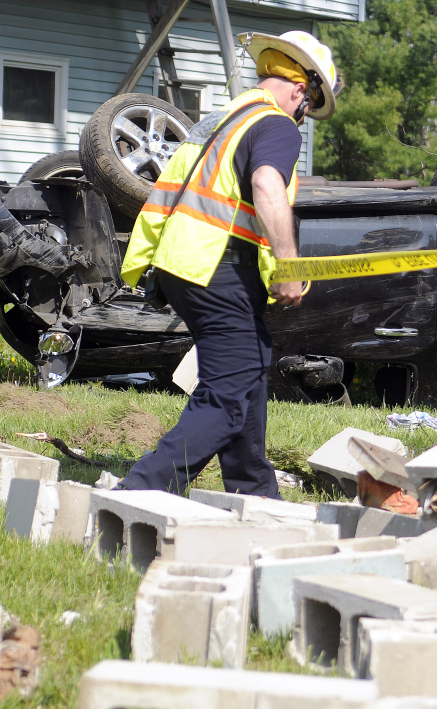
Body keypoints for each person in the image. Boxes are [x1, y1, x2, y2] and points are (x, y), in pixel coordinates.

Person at [115, 30, 342, 497]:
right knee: (227, 392)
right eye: (308, 108)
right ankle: (141, 491)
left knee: (249, 367)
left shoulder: (222, 121)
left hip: (182, 265)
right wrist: (290, 267)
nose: (303, 120)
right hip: (219, 269)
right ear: (302, 89)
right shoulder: (275, 125)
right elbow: (266, 186)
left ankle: (255, 495)